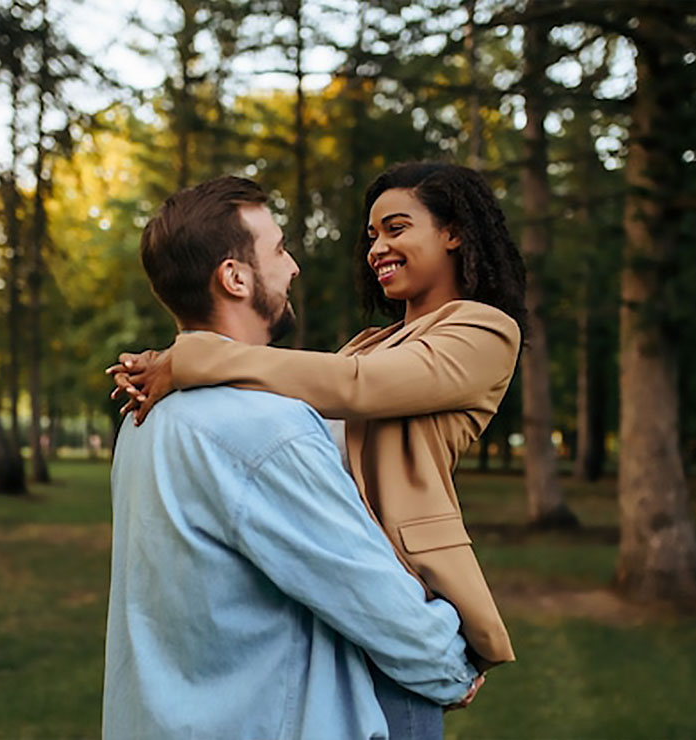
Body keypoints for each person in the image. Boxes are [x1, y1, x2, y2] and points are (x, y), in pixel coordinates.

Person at [103, 175, 483, 740]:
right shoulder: (265, 426)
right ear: (235, 278)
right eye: (278, 249)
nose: (293, 267)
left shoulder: (147, 417)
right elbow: (359, 580)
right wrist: (448, 665)